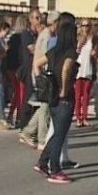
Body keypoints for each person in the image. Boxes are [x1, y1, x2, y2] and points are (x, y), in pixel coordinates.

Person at [33, 21, 79, 184]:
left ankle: (43, 162)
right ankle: (55, 169)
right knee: (60, 134)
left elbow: (37, 64)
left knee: (57, 132)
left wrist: (42, 81)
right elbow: (66, 68)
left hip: (51, 95)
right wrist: (64, 89)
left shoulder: (53, 51)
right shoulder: (71, 53)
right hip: (63, 97)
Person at [21, 11, 60, 148]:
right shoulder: (47, 36)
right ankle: (42, 138)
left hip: (41, 74)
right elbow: (44, 57)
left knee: (44, 106)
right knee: (44, 107)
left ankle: (28, 131)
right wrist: (41, 77)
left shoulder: (46, 34)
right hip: (42, 74)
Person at [16, 9, 41, 129]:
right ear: (30, 19)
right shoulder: (27, 34)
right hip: (29, 68)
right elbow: (33, 49)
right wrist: (41, 39)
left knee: (37, 97)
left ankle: (33, 124)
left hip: (38, 68)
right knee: (28, 96)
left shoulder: (39, 34)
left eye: (39, 18)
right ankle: (23, 124)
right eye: (36, 18)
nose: (38, 21)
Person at [75, 18, 96, 127]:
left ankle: (85, 117)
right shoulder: (77, 38)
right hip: (79, 68)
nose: (85, 28)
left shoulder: (92, 38)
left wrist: (94, 54)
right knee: (78, 95)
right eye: (83, 25)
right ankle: (78, 117)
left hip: (88, 68)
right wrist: (80, 45)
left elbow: (95, 52)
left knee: (86, 94)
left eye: (87, 25)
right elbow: (75, 52)